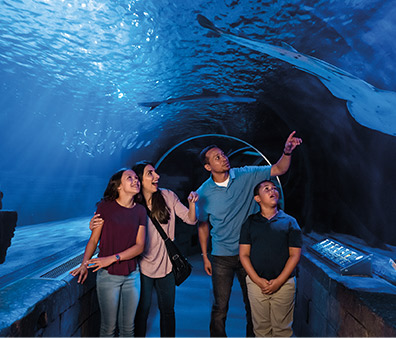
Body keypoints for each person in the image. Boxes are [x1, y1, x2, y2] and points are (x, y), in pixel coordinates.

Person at [196, 131, 302, 337]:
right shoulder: (203, 192)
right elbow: (202, 225)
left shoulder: (246, 174)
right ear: (208, 167)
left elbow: (279, 168)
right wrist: (204, 255)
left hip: (250, 254)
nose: (223, 158)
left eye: (223, 154)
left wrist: (287, 151)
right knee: (220, 307)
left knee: (252, 306)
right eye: (217, 157)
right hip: (222, 255)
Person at [90, 161, 198, 337]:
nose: (157, 176)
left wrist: (192, 204)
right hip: (141, 267)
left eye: (155, 172)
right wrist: (93, 225)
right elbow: (113, 220)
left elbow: (191, 219)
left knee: (168, 311)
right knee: (141, 313)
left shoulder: (167, 196)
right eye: (150, 173)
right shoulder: (133, 204)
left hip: (166, 265)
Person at [71, 169, 146, 337]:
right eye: (129, 178)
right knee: (108, 328)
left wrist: (112, 258)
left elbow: (140, 246)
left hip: (132, 275)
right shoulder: (105, 207)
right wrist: (84, 264)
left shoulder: (140, 211)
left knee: (128, 329)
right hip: (108, 277)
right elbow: (93, 240)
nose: (136, 181)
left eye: (136, 178)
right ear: (118, 186)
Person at [239, 179, 302, 337]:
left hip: (284, 283)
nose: (272, 190)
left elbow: (294, 255)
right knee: (261, 329)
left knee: (282, 330)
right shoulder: (250, 223)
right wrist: (257, 280)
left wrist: (279, 281)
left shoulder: (290, 222)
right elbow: (244, 254)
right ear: (257, 198)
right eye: (266, 189)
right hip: (256, 283)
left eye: (274, 188)